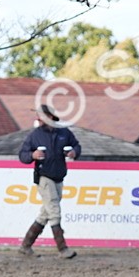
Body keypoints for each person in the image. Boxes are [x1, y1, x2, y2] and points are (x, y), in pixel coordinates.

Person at [18, 105, 82, 258]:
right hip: (44, 176)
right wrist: (33, 155)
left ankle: (26, 246)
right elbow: (22, 155)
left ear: (51, 117)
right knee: (54, 212)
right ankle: (62, 249)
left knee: (45, 213)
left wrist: (74, 152)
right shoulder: (35, 135)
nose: (38, 118)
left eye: (41, 115)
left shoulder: (64, 132)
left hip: (59, 177)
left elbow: (76, 145)